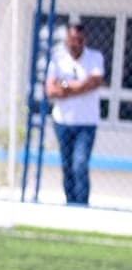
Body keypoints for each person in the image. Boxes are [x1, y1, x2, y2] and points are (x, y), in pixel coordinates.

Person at [45, 19, 105, 206]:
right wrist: (80, 86)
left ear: (84, 40)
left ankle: (81, 204)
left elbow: (94, 82)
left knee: (80, 164)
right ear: (66, 40)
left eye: (79, 40)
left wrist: (66, 87)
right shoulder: (57, 58)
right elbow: (51, 91)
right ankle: (70, 204)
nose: (75, 43)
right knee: (67, 166)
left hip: (86, 123)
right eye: (72, 39)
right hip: (62, 122)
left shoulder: (95, 58)